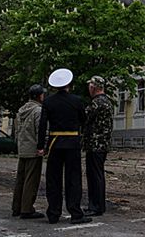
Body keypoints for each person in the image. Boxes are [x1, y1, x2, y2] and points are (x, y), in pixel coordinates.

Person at [37, 68, 92, 225]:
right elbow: (84, 120)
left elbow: (42, 125)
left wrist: (41, 146)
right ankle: (75, 213)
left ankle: (53, 213)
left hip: (55, 143)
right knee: (73, 179)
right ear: (69, 84)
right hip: (73, 143)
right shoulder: (77, 100)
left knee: (53, 179)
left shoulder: (48, 102)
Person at [11, 84, 46, 220]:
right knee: (31, 180)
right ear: (39, 96)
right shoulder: (38, 111)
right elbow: (40, 130)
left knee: (20, 179)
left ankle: (16, 207)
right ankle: (27, 209)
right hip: (33, 150)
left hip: (22, 148)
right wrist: (41, 146)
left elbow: (17, 131)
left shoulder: (21, 110)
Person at [83, 76, 114, 217]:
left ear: (94, 87)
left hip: (94, 144)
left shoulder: (96, 103)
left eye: (90, 85)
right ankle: (98, 205)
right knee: (98, 175)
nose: (89, 88)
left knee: (94, 176)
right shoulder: (107, 101)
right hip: (102, 144)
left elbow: (85, 119)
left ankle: (95, 206)